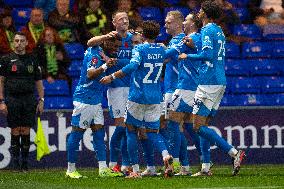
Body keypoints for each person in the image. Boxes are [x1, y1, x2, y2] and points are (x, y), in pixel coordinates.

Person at [179, 0, 246, 176]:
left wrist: (188, 55)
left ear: (206, 14)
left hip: (208, 81)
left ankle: (233, 152)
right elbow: (211, 51)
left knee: (197, 126)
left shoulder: (207, 29)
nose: (198, 12)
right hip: (218, 80)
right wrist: (196, 46)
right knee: (204, 125)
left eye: (201, 10)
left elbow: (208, 55)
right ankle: (206, 167)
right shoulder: (218, 30)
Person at [100, 20, 174, 179]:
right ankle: (166, 155)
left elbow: (132, 66)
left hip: (138, 96)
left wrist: (112, 75)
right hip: (156, 97)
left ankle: (134, 170)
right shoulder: (161, 49)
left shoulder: (139, 48)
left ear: (144, 35)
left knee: (131, 130)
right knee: (153, 132)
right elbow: (172, 53)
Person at [65, 37, 123, 179]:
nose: (117, 49)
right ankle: (70, 170)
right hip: (85, 99)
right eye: (115, 46)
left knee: (99, 134)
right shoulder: (95, 54)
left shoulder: (102, 52)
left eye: (118, 46)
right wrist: (105, 66)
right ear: (106, 42)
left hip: (95, 100)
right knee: (76, 134)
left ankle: (103, 169)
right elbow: (90, 74)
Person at [87, 11, 133, 174]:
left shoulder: (133, 38)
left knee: (130, 128)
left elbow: (137, 59)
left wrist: (117, 61)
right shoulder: (109, 38)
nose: (124, 21)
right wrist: (105, 36)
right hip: (116, 88)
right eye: (121, 19)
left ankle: (126, 164)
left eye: (126, 18)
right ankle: (114, 163)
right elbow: (90, 42)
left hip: (133, 87)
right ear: (114, 22)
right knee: (122, 127)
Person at [0, 32, 44, 171]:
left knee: (25, 130)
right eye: (16, 40)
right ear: (13, 42)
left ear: (26, 43)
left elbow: (39, 82)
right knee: (15, 130)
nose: (19, 43)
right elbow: (1, 81)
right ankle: (15, 164)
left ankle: (24, 164)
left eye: (21, 41)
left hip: (29, 99)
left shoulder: (33, 59)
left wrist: (41, 100)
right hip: (12, 99)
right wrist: (1, 100)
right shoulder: (6, 59)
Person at [163, 10, 186, 173]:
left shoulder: (180, 41)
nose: (166, 24)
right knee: (176, 127)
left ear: (179, 24)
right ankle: (183, 165)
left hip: (175, 88)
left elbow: (164, 56)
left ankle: (177, 163)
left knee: (173, 126)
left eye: (169, 22)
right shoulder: (173, 41)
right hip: (171, 87)